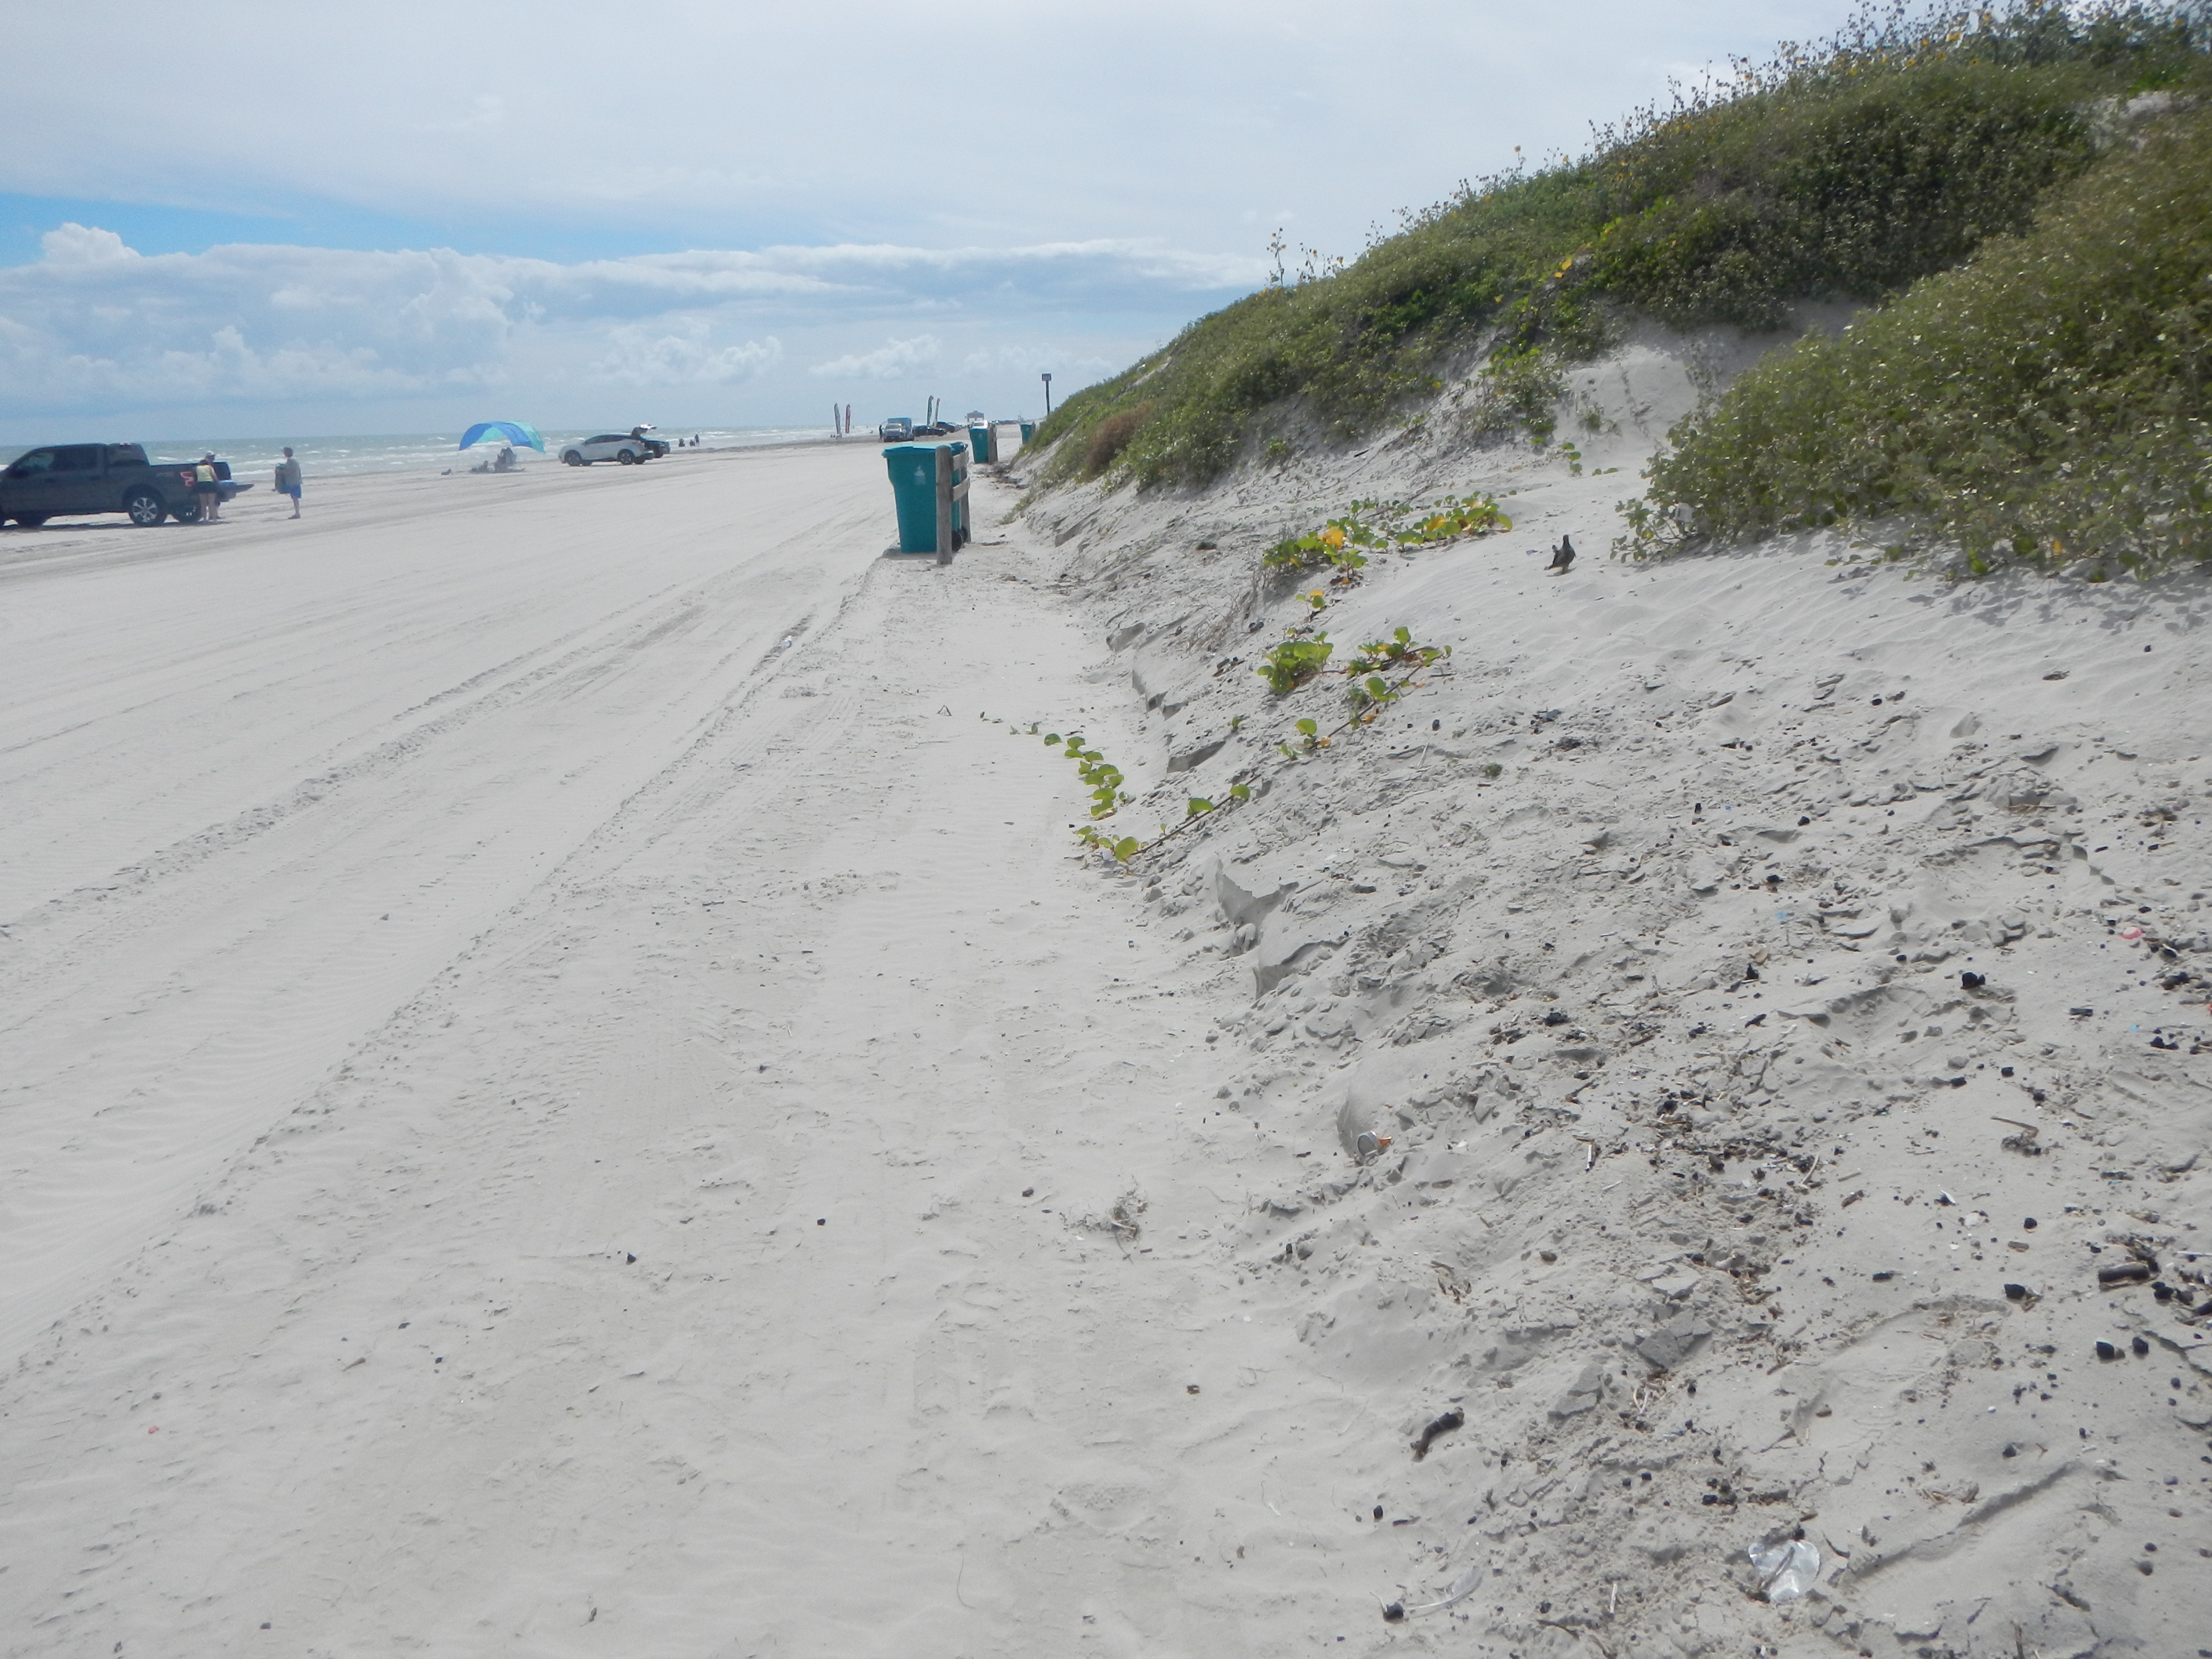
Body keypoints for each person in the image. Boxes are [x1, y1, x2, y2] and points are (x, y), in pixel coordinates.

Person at [193, 453, 222, 523]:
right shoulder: (209, 467)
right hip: (210, 484)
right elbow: (214, 476)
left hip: (201, 484)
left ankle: (205, 520)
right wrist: (218, 483)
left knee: (203, 504)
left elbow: (195, 477)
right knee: (211, 503)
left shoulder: (197, 468)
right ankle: (214, 520)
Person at [275, 447, 302, 518]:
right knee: (294, 498)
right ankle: (297, 513)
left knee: (295, 498)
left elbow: (289, 472)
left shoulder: (292, 461)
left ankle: (297, 513)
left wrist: (280, 471)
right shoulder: (292, 461)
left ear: (289, 452)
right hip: (294, 482)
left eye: (285, 452)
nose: (284, 453)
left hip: (293, 482)